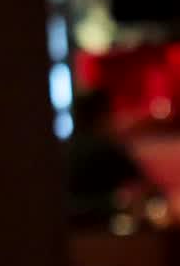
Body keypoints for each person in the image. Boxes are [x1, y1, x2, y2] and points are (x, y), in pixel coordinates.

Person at [66, 89, 158, 227]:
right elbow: (149, 188)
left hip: (69, 230)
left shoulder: (64, 149)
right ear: (102, 115)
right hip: (105, 230)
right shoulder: (106, 148)